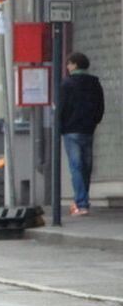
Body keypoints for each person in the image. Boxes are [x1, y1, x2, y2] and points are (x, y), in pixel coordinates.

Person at [59, 51, 105, 216]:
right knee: (86, 167)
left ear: (74, 64)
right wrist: (94, 121)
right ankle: (82, 199)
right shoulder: (94, 83)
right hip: (88, 129)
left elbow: (61, 108)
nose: (67, 67)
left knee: (76, 167)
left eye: (69, 64)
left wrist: (60, 126)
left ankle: (81, 202)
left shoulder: (67, 84)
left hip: (71, 130)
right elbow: (100, 106)